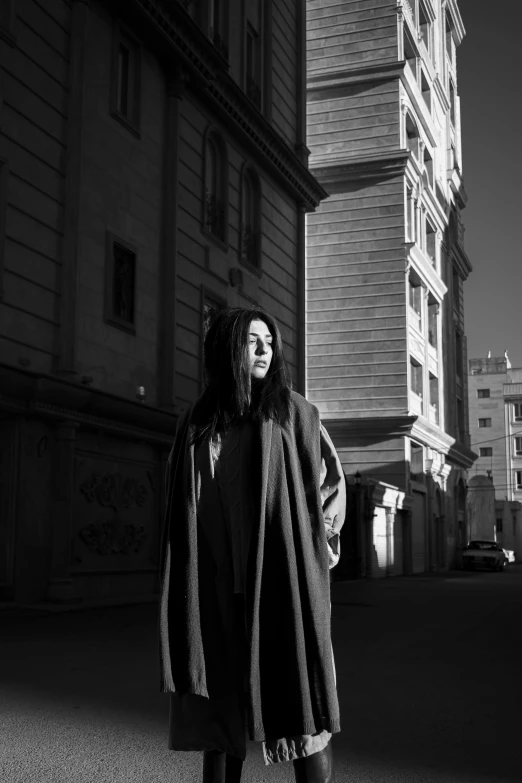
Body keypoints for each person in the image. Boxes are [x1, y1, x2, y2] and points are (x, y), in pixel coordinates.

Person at [159, 307, 346, 783]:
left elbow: (330, 488)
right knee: (222, 718)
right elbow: (179, 502)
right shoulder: (198, 423)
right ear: (226, 348)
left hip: (284, 588)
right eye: (251, 340)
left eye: (269, 341)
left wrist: (314, 547)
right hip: (217, 590)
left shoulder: (294, 413)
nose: (264, 349)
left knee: (303, 711)